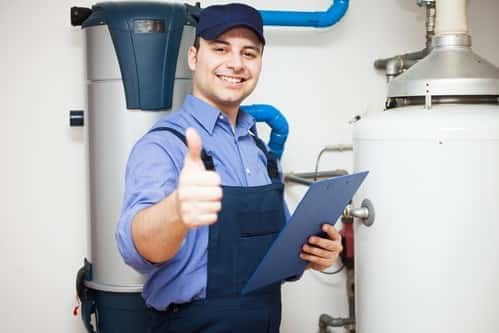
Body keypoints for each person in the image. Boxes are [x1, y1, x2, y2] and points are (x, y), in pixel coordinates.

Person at [116, 3, 343, 332]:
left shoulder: (260, 152)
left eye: (249, 53)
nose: (235, 63)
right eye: (220, 48)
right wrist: (177, 210)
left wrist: (312, 254)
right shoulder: (164, 145)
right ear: (194, 57)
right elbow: (137, 250)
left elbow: (276, 254)